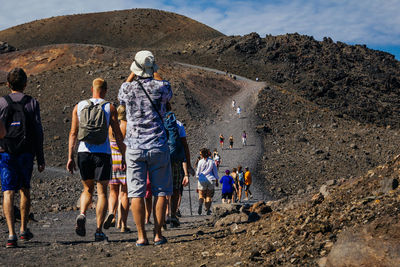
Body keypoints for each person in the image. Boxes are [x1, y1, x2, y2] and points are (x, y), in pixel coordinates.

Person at [118, 50, 172, 246]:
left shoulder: (127, 88)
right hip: (158, 144)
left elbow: (123, 90)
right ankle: (158, 234)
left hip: (134, 147)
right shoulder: (162, 87)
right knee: (160, 192)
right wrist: (153, 71)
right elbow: (165, 87)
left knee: (136, 193)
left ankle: (141, 236)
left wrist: (134, 72)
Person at [67, 78, 126, 242]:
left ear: (92, 89)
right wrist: (123, 155)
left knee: (87, 189)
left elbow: (73, 133)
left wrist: (70, 157)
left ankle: (82, 214)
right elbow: (117, 135)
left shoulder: (79, 106)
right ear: (105, 90)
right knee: (102, 192)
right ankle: (99, 230)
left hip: (83, 152)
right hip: (103, 153)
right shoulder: (109, 107)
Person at [0, 68, 45, 248]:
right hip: (27, 152)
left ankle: (11, 235)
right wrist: (40, 157)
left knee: (8, 192)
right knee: (25, 189)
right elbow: (38, 132)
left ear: (8, 84)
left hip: (6, 152)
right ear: (25, 83)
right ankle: (23, 229)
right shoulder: (32, 103)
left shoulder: (2, 103)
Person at [104, 105, 129, 233]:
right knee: (124, 194)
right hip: (124, 160)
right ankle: (123, 225)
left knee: (113, 192)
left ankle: (111, 213)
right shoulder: (128, 126)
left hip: (112, 160)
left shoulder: (110, 126)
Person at [196, 148, 219, 215]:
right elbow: (215, 172)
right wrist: (216, 180)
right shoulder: (212, 161)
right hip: (210, 179)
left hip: (202, 179)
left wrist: (198, 178)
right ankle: (208, 209)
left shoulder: (200, 162)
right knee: (208, 196)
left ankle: (200, 205)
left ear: (202, 155)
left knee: (201, 195)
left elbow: (198, 172)